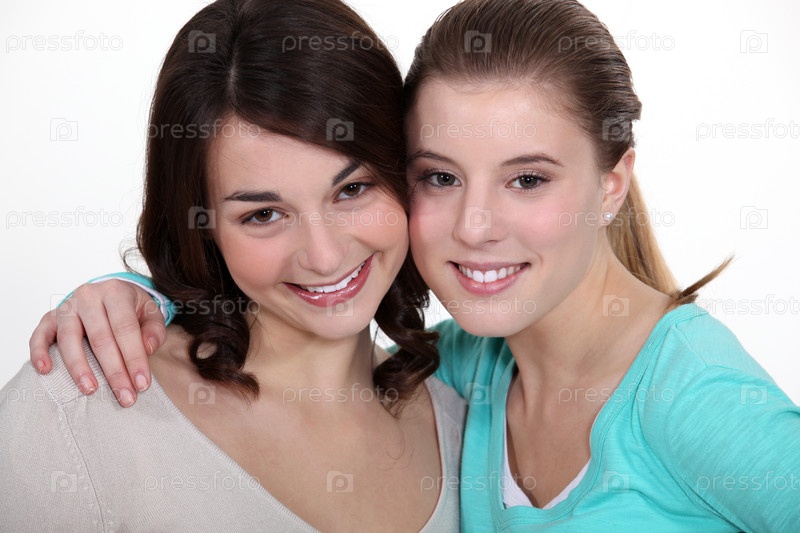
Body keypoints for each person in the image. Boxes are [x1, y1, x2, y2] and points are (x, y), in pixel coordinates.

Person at [24, 0, 800, 531]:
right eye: (441, 177)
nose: (475, 226)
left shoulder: (696, 395)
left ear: (612, 183)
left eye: (528, 178)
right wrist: (137, 293)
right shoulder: (465, 372)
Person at [0, 0, 465, 531]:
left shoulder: (467, 430)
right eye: (263, 214)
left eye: (352, 189)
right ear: (202, 223)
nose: (324, 256)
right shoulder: (77, 407)